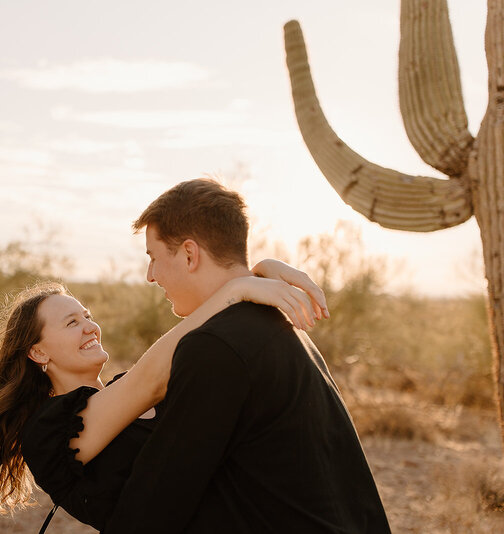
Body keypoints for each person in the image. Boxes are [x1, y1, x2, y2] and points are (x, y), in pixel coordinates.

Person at [0, 261, 327, 532]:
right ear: (39, 352)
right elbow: (160, 368)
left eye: (88, 316)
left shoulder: (123, 391)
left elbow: (198, 331)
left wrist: (264, 269)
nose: (90, 328)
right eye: (71, 322)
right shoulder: (47, 432)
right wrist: (241, 286)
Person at [103, 178, 390, 533]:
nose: (150, 276)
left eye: (154, 258)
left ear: (189, 254)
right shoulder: (279, 322)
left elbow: (157, 503)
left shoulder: (215, 345)